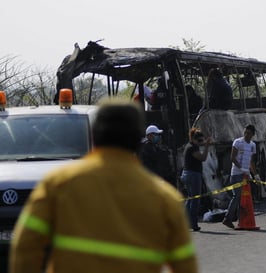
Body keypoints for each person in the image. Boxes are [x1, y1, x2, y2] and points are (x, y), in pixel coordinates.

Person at [9, 98, 198, 273]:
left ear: (94, 134)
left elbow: (25, 247)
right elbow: (185, 264)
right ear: (136, 139)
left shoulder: (57, 184)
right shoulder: (165, 197)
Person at [222, 124, 259, 229]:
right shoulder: (237, 142)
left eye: (249, 133)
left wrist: (255, 174)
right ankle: (227, 218)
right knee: (236, 196)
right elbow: (232, 158)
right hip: (236, 174)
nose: (246, 135)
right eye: (245, 132)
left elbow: (251, 162)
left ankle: (242, 220)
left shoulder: (252, 145)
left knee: (244, 198)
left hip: (245, 175)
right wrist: (241, 168)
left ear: (253, 134)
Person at [181, 128, 211, 231]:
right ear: (193, 139)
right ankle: (193, 224)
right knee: (195, 200)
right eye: (199, 141)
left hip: (188, 174)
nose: (200, 143)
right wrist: (206, 146)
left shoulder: (190, 146)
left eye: (201, 141)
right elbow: (203, 158)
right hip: (193, 175)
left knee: (190, 199)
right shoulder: (192, 148)